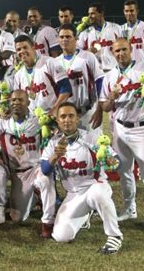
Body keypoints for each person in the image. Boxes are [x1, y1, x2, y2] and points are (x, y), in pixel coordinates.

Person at [99, 38, 144, 237]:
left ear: (131, 49)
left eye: (124, 50)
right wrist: (112, 95)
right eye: (117, 51)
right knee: (124, 172)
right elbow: (105, 107)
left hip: (142, 129)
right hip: (119, 129)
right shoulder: (109, 76)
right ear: (112, 52)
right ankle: (130, 209)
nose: (120, 54)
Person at [41, 102, 123, 254]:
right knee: (61, 236)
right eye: (63, 116)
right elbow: (44, 170)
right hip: (73, 194)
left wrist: (112, 161)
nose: (67, 120)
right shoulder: (52, 143)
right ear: (58, 121)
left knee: (97, 194)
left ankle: (114, 236)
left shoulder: (91, 138)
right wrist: (55, 156)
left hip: (95, 186)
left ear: (77, 119)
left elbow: (117, 162)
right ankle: (85, 215)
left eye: (71, 116)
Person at [0, 90, 56, 237]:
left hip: (33, 169)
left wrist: (51, 121)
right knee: (16, 215)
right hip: (13, 172)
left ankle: (47, 222)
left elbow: (54, 123)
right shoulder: (2, 124)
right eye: (13, 100)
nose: (16, 103)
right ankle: (3, 204)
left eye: (20, 100)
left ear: (28, 103)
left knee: (45, 179)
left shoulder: (37, 121)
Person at [56, 24, 105, 133]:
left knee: (94, 146)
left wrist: (99, 109)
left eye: (68, 37)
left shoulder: (88, 57)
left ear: (76, 39)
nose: (64, 39)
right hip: (66, 116)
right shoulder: (55, 62)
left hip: (86, 113)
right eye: (62, 37)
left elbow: (100, 82)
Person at [13, 35, 71, 117]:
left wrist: (55, 109)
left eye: (25, 47)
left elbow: (66, 89)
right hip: (33, 120)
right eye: (18, 49)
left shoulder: (49, 62)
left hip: (54, 116)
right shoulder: (18, 75)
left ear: (33, 47)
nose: (22, 51)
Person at [77, 2, 123, 72]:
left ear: (101, 13)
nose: (89, 17)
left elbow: (124, 48)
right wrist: (87, 52)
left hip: (114, 71)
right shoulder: (85, 33)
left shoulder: (116, 28)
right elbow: (77, 54)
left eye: (92, 13)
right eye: (89, 14)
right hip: (95, 72)